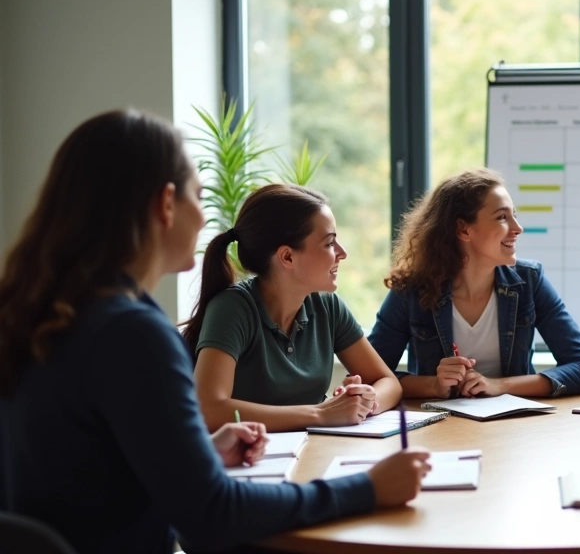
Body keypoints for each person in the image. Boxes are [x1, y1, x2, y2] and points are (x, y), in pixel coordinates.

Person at [0, 109, 430, 554]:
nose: (206, 219)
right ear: (165, 204)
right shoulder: (131, 333)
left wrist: (197, 451)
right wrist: (366, 488)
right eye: (198, 196)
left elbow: (89, 467)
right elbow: (214, 515)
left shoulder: (44, 312)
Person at [186, 184, 403, 432]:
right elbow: (209, 409)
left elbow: (388, 383)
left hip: (313, 452)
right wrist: (321, 413)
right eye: (330, 243)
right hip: (251, 461)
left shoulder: (327, 306)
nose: (342, 253)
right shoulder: (232, 308)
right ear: (288, 257)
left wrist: (363, 401)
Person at [369, 168, 580, 399]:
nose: (518, 228)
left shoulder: (530, 281)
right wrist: (434, 386)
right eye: (502, 217)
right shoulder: (411, 290)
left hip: (513, 426)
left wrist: (499, 385)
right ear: (463, 229)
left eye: (514, 215)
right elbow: (370, 375)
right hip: (439, 429)